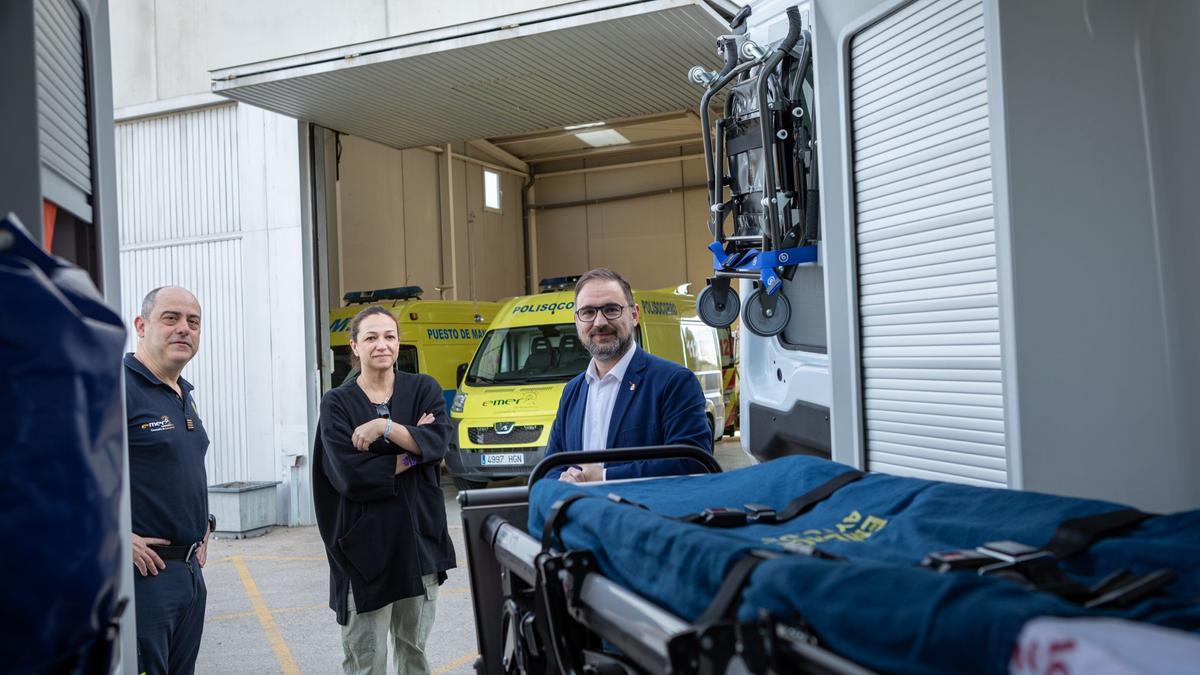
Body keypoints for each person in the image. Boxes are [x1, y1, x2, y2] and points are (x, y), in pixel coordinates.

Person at [312, 306, 456, 674]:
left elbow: (439, 445)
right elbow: (351, 476)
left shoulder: (423, 387)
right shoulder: (337, 404)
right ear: (354, 346)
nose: (382, 345)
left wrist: (384, 429)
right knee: (367, 661)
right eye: (371, 337)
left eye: (389, 336)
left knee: (414, 652)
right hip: (365, 551)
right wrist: (414, 448)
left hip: (419, 544)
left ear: (398, 342)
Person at [543, 268, 713, 483]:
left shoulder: (674, 382)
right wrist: (562, 481)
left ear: (634, 315)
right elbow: (551, 466)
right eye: (588, 312)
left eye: (611, 309)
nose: (599, 322)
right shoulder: (572, 392)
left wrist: (605, 476)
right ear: (577, 321)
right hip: (583, 514)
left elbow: (693, 463)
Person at [124, 286, 213, 675]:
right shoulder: (115, 389)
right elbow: (56, 474)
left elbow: (181, 469)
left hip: (189, 573)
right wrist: (111, 537)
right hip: (144, 579)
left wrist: (206, 526)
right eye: (171, 318)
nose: (184, 329)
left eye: (192, 322)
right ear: (141, 326)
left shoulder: (181, 393)